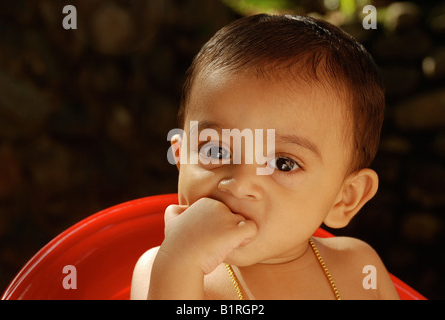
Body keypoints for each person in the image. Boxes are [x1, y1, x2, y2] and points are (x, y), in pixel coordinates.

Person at [130, 14, 400, 300]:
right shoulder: (166, 269)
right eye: (216, 151)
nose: (240, 184)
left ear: (345, 197)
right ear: (182, 157)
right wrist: (180, 262)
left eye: (284, 163)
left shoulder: (360, 268)